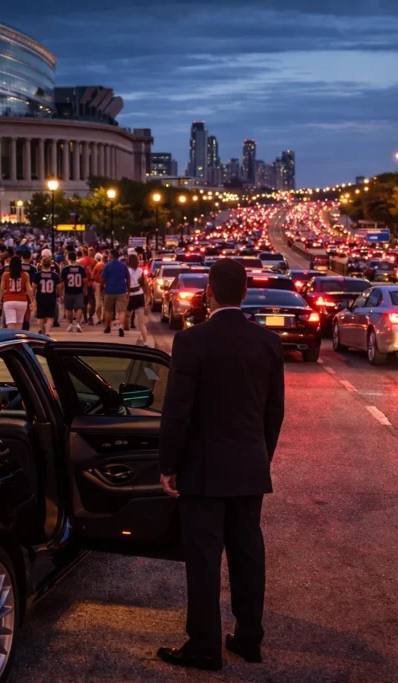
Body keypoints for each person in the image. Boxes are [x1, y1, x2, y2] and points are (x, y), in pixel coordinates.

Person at [156, 259, 285, 673]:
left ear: (209, 292)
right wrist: (260, 456)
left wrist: (168, 464)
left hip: (203, 469)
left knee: (204, 561)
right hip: (249, 466)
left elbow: (177, 411)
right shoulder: (267, 342)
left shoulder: (191, 341)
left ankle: (205, 646)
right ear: (245, 293)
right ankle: (249, 639)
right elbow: (274, 411)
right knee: (248, 556)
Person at [100, 249, 130, 337]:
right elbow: (128, 278)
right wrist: (128, 290)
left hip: (109, 291)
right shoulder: (123, 266)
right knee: (121, 311)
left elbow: (103, 279)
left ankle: (108, 327)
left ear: (111, 256)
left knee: (108, 311)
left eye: (108, 255)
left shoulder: (107, 266)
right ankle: (120, 327)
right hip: (121, 291)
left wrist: (102, 287)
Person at [0, 255, 32, 331]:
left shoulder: (5, 274)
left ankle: (12, 340)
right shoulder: (25, 275)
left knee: (11, 324)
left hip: (9, 300)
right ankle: (18, 340)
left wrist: (0, 300)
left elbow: (1, 289)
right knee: (19, 324)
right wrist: (32, 301)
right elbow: (29, 290)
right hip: (22, 301)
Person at [33, 255, 61, 336]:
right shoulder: (55, 275)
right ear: (50, 264)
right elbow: (59, 287)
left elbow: (33, 287)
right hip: (51, 297)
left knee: (40, 316)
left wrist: (33, 298)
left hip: (40, 297)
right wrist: (60, 295)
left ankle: (41, 330)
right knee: (50, 317)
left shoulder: (37, 274)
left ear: (41, 264)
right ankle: (48, 332)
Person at [125, 253, 149, 346]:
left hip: (130, 295)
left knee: (126, 316)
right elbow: (145, 284)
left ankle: (124, 331)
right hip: (139, 294)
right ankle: (145, 341)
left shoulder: (126, 270)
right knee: (141, 322)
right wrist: (147, 298)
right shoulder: (140, 270)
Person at [60, 251, 86, 332]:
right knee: (79, 307)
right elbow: (84, 280)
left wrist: (61, 293)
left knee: (68, 309)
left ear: (68, 258)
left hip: (68, 291)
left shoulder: (65, 269)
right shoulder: (81, 268)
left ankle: (71, 324)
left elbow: (61, 282)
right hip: (79, 290)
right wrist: (85, 290)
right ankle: (77, 323)